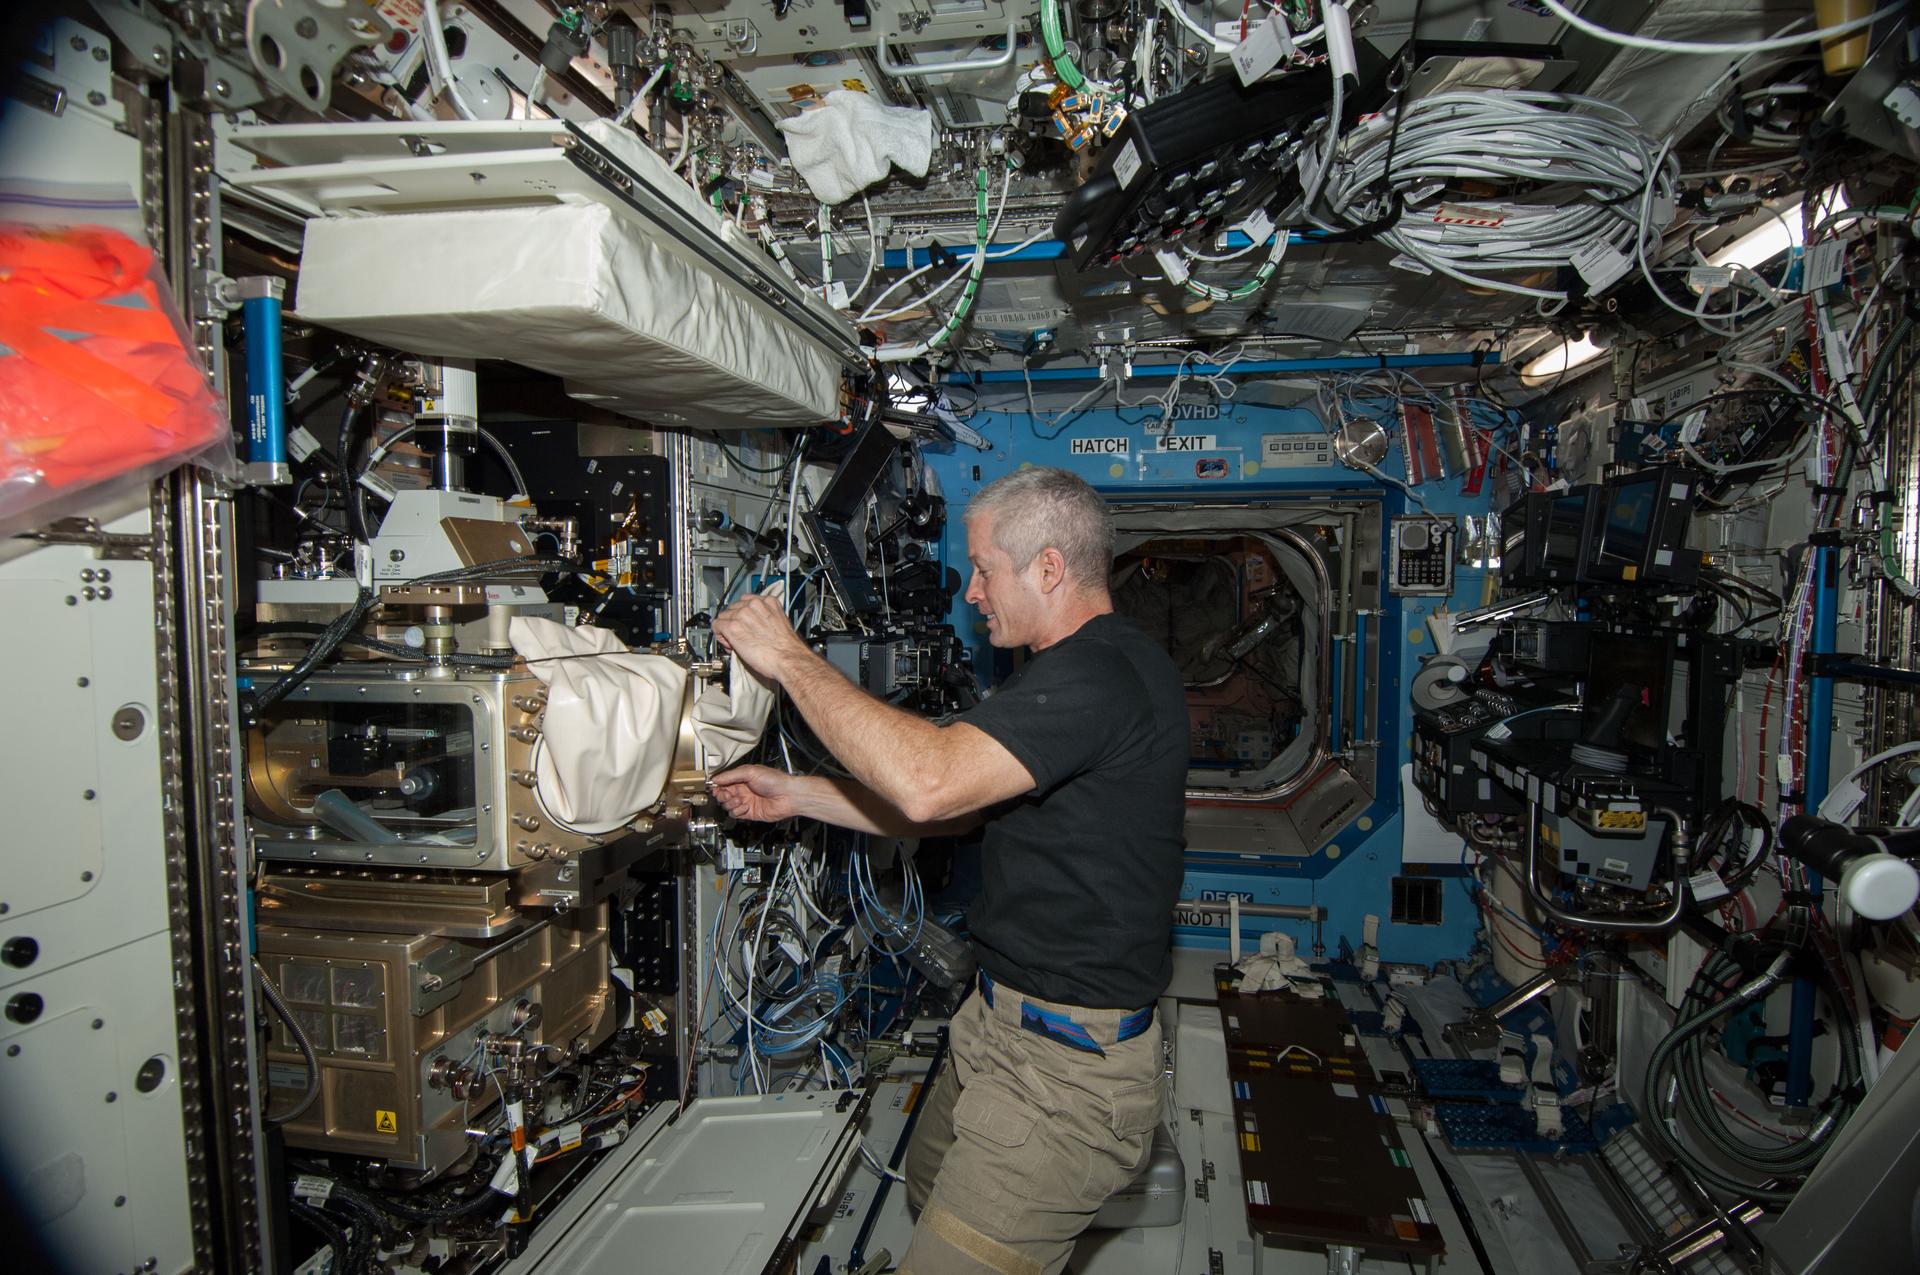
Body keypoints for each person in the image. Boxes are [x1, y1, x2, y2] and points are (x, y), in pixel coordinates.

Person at [711, 465, 1189, 1275]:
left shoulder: (1098, 674)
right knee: (930, 1187)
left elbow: (927, 783)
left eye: (985, 569)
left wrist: (788, 657)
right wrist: (797, 795)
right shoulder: (1069, 671)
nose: (971, 591)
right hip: (995, 1027)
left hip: (1063, 1074)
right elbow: (959, 808)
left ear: (1048, 568)